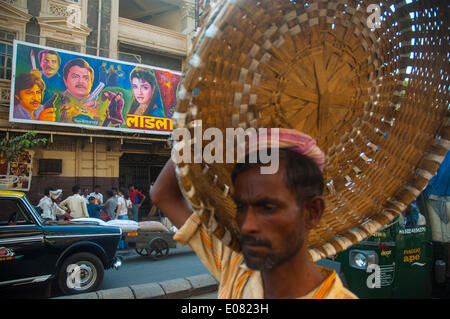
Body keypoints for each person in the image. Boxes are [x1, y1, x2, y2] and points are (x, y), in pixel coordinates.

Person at [150, 129, 357, 299]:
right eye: (241, 207)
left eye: (268, 208)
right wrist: (196, 134)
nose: (247, 225)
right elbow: (163, 195)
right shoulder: (237, 265)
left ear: (312, 212)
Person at [54, 58, 100, 123]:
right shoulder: (55, 102)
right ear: (65, 80)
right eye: (75, 76)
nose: (80, 81)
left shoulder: (99, 106)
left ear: (91, 83)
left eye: (85, 78)